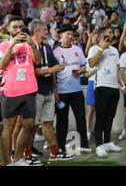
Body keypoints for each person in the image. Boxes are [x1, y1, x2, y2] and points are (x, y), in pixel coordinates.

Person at [29, 19, 73, 161]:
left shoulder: (47, 46)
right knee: (31, 125)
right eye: (44, 30)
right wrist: (51, 69)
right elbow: (33, 71)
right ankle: (26, 154)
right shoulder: (28, 47)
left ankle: (55, 152)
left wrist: (54, 89)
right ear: (36, 31)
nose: (47, 32)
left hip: (48, 90)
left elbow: (54, 68)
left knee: (47, 123)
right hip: (35, 91)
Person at [0, 16, 41, 165]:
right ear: (8, 29)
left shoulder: (31, 44)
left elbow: (37, 62)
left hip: (29, 88)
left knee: (29, 125)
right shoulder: (4, 45)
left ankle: (17, 159)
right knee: (8, 127)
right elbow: (2, 65)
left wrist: (34, 46)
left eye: (21, 26)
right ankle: (6, 162)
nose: (18, 30)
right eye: (15, 27)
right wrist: (12, 45)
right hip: (11, 90)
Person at [53, 24, 91, 155]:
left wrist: (81, 70)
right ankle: (61, 147)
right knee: (62, 120)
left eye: (71, 34)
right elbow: (52, 73)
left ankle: (84, 144)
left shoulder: (78, 50)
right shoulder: (56, 52)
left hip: (77, 91)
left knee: (81, 118)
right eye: (67, 34)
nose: (70, 36)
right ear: (60, 36)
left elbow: (84, 66)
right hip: (62, 92)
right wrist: (55, 92)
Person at [87, 26, 122, 158]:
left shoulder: (114, 50)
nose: (111, 34)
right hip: (101, 86)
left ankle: (107, 142)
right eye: (109, 32)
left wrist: (122, 85)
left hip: (114, 88)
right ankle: (99, 145)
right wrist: (101, 48)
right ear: (101, 35)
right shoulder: (94, 48)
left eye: (112, 33)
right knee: (100, 117)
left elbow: (118, 70)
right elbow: (91, 64)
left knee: (110, 116)